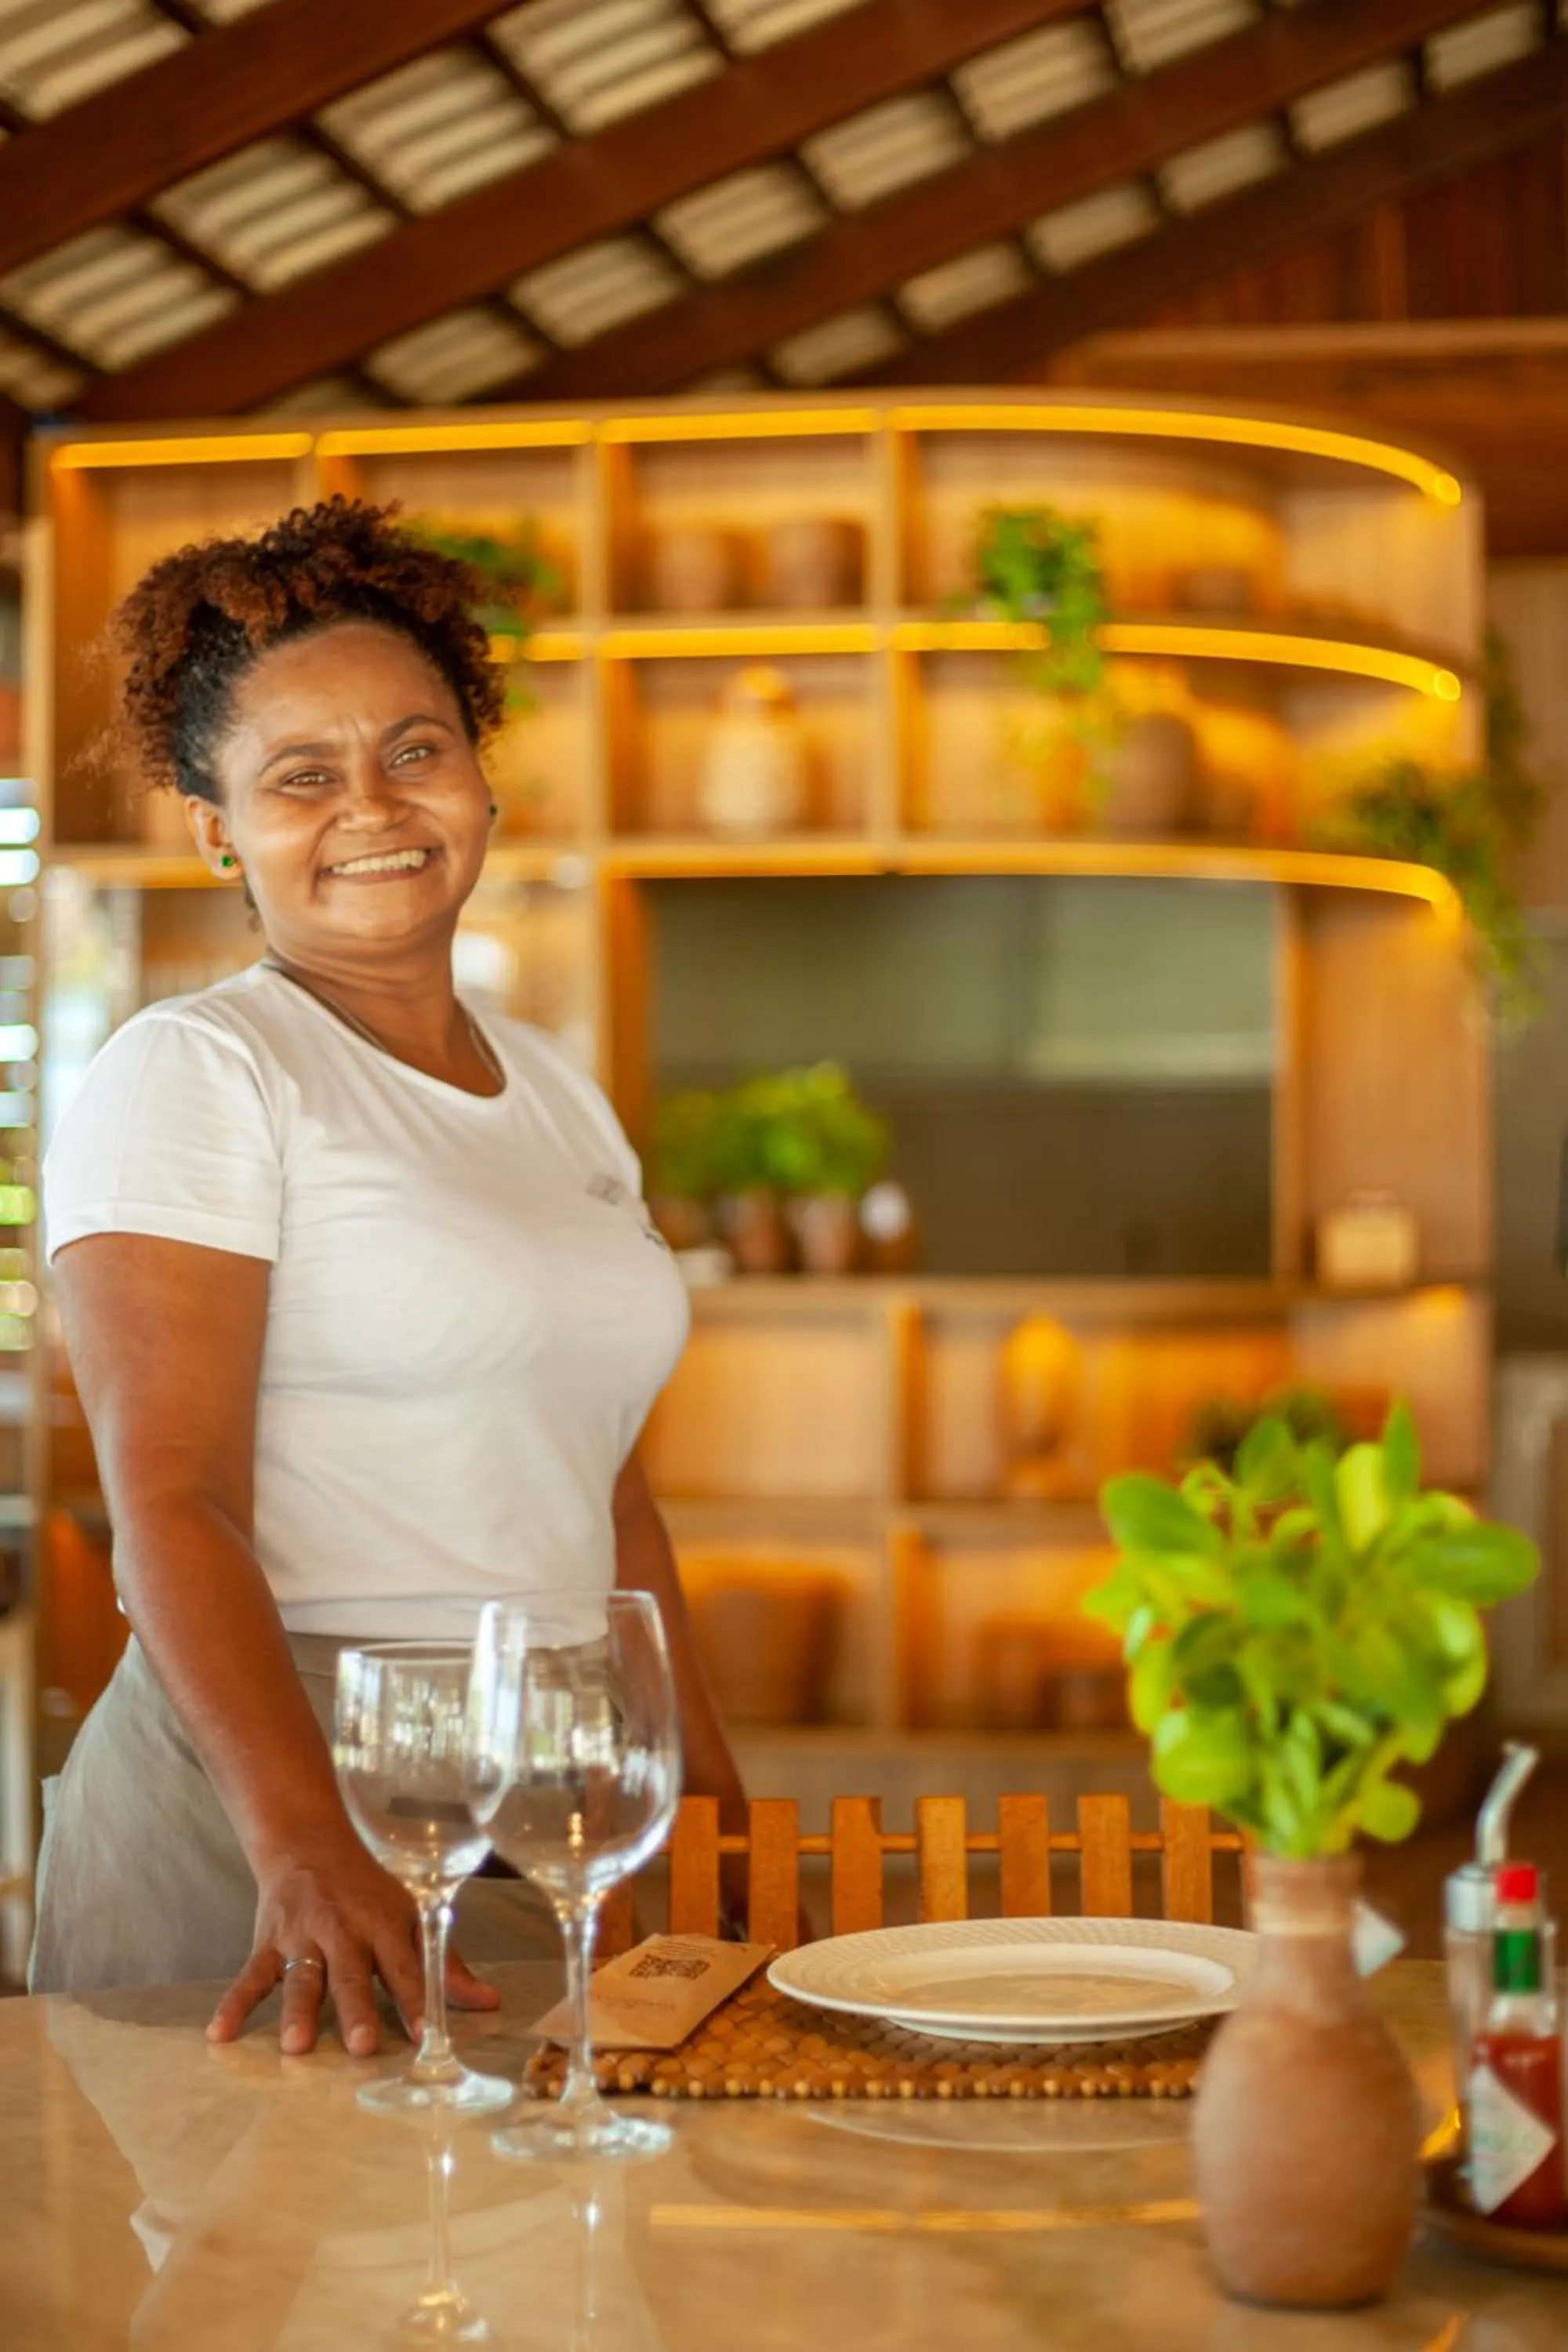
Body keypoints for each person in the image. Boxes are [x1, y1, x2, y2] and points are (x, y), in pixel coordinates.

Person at [31, 498, 746, 2057]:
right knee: (261, 2211)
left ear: (480, 779)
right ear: (216, 831)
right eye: (301, 774)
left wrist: (704, 1803)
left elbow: (610, 1492)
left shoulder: (556, 1092)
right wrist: (301, 1843)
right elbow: (171, 1500)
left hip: (548, 1783)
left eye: (415, 749)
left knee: (540, 2199)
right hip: (263, 1798)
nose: (373, 803)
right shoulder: (200, 1070)